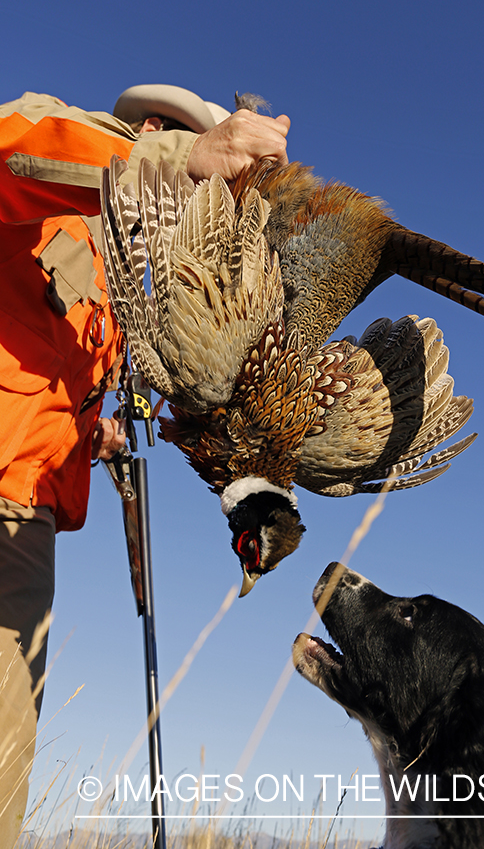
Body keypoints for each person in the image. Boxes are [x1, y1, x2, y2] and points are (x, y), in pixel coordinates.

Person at [0, 85, 290, 846]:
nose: (203, 198)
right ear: (153, 132)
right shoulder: (58, 180)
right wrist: (180, 161)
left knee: (4, 767)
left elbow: (47, 372)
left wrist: (95, 432)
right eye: (202, 177)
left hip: (26, 511)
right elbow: (17, 145)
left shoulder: (119, 286)